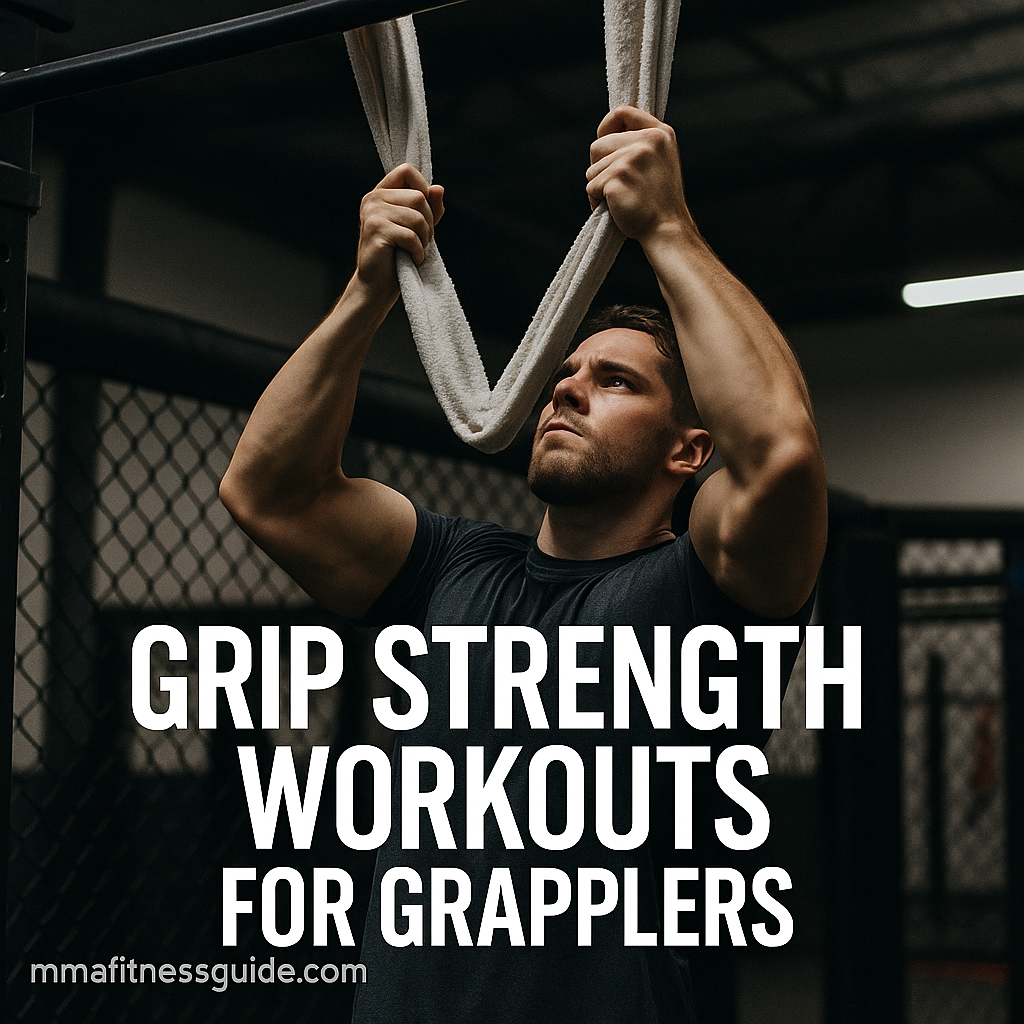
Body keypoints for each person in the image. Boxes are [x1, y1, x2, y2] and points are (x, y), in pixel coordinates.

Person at [220, 105, 828, 1023]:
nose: (567, 389)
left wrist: (666, 228)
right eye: (562, 376)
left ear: (688, 450)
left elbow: (780, 448)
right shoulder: (447, 567)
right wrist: (366, 292)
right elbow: (268, 491)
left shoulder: (712, 595)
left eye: (614, 381)